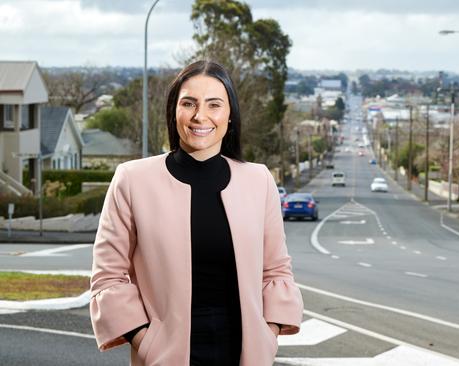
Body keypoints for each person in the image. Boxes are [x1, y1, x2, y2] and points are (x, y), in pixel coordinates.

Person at [89, 60, 303, 366]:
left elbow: (277, 271)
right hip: (165, 354)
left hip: (245, 353)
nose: (200, 116)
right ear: (174, 111)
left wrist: (267, 335)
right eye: (188, 103)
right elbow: (109, 277)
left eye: (214, 104)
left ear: (230, 116)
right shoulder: (132, 180)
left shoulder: (259, 180)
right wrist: (146, 341)